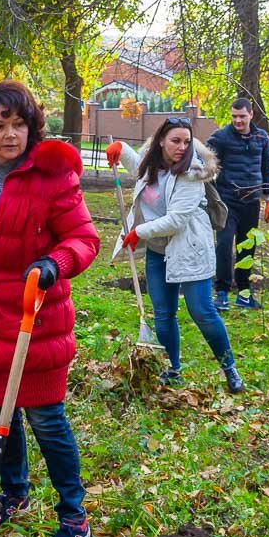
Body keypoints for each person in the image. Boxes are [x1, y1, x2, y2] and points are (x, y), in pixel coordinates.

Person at [0, 79, 100, 537]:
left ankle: (74, 515)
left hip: (37, 318)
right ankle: (14, 492)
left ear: (32, 127)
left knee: (45, 419)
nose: (10, 135)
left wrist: (55, 262)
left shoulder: (54, 175)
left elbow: (83, 237)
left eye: (18, 124)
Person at [105, 118, 245, 393]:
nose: (182, 147)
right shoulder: (152, 163)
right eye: (175, 141)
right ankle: (173, 370)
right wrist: (120, 149)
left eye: (186, 141)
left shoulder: (191, 173)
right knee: (163, 314)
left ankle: (230, 368)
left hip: (189, 249)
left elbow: (176, 220)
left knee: (202, 311)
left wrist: (138, 232)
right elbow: (138, 167)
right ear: (161, 141)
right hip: (158, 250)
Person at [206, 98, 269, 310]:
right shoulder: (221, 137)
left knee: (247, 246)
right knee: (224, 244)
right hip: (227, 200)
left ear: (251, 115)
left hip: (252, 202)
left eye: (242, 116)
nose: (238, 120)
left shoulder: (261, 137)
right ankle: (222, 293)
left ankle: (244, 294)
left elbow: (267, 168)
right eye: (234, 116)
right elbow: (204, 157)